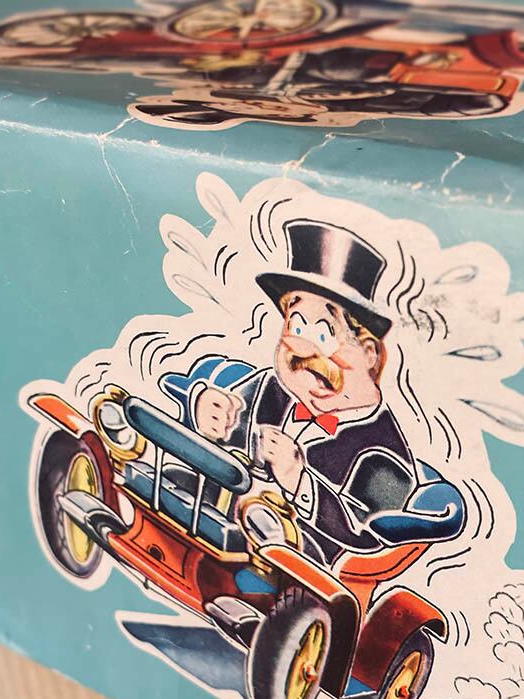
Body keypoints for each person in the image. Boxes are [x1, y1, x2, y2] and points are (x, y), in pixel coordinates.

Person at [161, 219, 417, 565]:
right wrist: (206, 413)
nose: (303, 350)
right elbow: (227, 430)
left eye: (324, 334)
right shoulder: (269, 389)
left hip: (294, 564)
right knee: (164, 482)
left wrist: (298, 479)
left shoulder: (383, 449)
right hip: (215, 525)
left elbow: (368, 533)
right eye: (296, 326)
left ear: (368, 353)